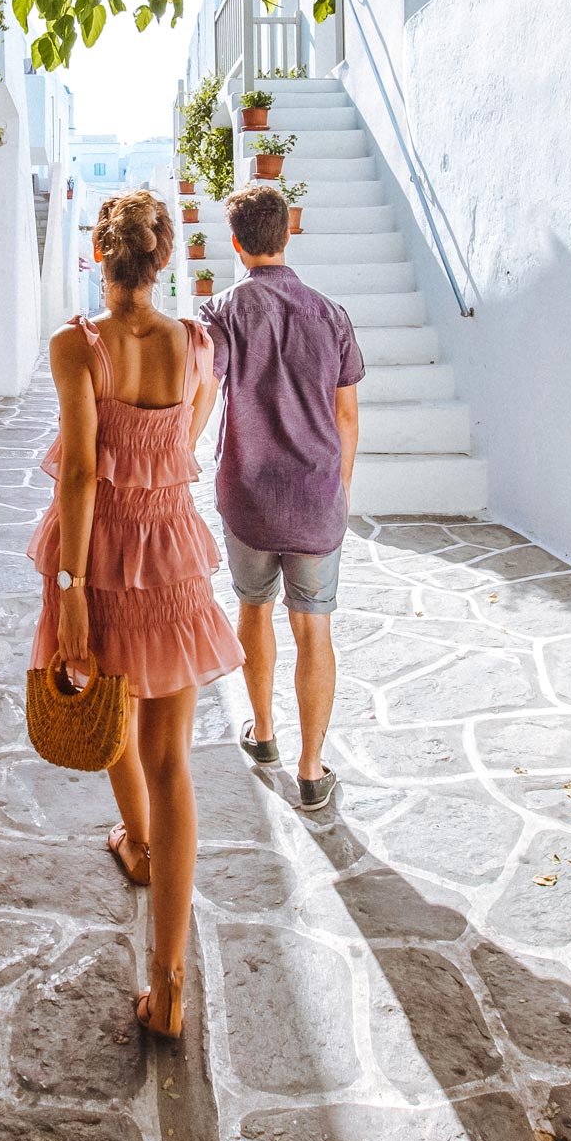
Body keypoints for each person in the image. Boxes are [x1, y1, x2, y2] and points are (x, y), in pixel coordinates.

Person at [29, 189, 243, 1040]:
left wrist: (72, 589)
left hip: (108, 560)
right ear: (159, 262)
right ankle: (169, 981)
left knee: (105, 709)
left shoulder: (78, 348)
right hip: (176, 559)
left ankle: (142, 846)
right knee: (171, 761)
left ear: (99, 257)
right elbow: (184, 444)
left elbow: (83, 473)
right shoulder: (197, 345)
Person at [200, 181, 363, 812]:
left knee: (253, 609)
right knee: (314, 628)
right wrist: (339, 488)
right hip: (316, 496)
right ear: (287, 232)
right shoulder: (331, 314)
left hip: (248, 496)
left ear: (237, 243)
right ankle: (312, 767)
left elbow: (207, 388)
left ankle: (263, 734)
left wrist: (183, 447)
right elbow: (347, 416)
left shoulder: (222, 313)